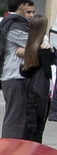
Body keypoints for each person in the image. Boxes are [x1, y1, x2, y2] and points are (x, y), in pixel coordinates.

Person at [0, 0, 35, 139]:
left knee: (18, 116)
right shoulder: (14, 26)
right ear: (21, 6)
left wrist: (26, 50)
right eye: (28, 9)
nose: (31, 14)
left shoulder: (11, 22)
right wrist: (30, 48)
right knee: (15, 118)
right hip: (14, 77)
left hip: (15, 77)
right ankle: (9, 150)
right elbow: (36, 42)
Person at [22, 14, 54, 144]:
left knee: (31, 125)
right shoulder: (44, 50)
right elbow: (48, 72)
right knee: (39, 127)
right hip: (42, 91)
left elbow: (26, 72)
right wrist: (52, 53)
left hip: (31, 91)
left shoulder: (30, 46)